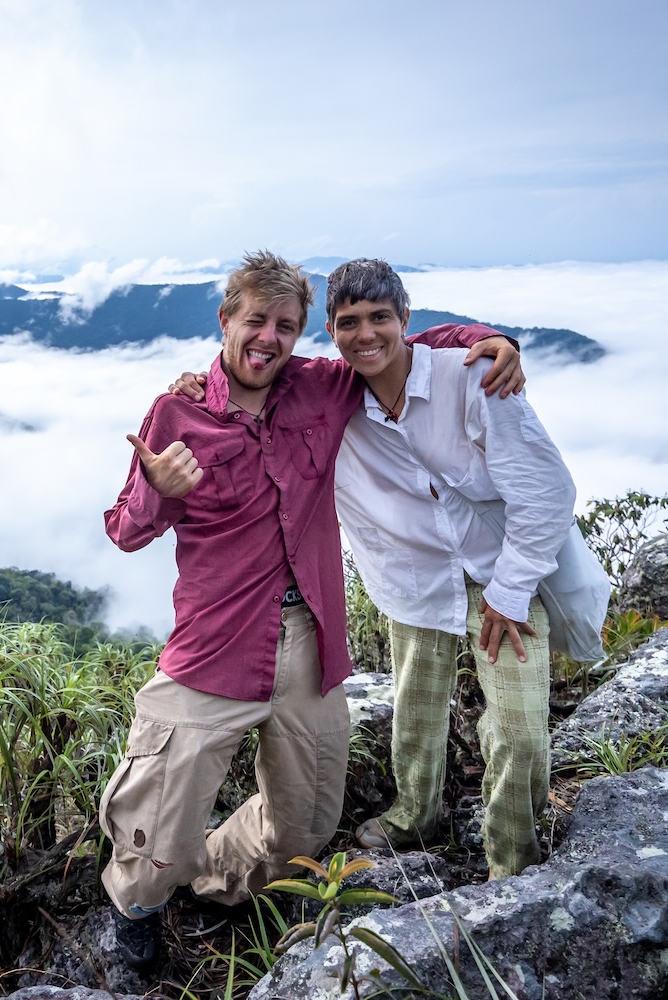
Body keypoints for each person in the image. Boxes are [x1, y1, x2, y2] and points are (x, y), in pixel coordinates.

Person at [100, 251, 523, 971]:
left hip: (312, 639)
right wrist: (160, 489)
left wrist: (492, 339)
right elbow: (125, 529)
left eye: (287, 326)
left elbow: (397, 349)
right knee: (157, 814)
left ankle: (215, 881)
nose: (269, 338)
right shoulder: (176, 413)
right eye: (255, 321)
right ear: (226, 320)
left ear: (302, 333)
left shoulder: (320, 390)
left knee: (308, 819)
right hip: (216, 645)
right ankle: (134, 915)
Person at [324, 258, 576, 880]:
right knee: (416, 709)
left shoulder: (473, 378)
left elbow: (545, 491)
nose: (366, 334)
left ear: (406, 319)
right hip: (412, 576)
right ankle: (416, 815)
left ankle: (510, 864)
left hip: (500, 573)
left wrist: (511, 593)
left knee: (520, 731)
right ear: (331, 330)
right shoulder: (331, 400)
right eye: (349, 322)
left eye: (380, 317)